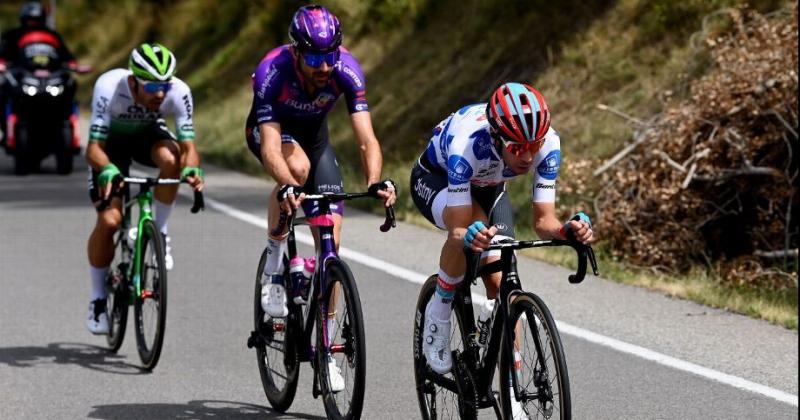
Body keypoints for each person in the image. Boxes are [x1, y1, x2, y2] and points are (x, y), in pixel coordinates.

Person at [245, 4, 395, 391]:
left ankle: (327, 351)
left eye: (329, 56)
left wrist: (375, 180)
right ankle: (275, 261)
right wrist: (289, 186)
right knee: (296, 171)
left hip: (315, 141)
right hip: (274, 137)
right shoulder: (272, 71)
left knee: (331, 245)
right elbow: (271, 149)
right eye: (314, 57)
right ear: (296, 51)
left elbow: (366, 140)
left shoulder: (346, 70)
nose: (324, 66)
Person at [409, 82, 595, 377]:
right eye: (518, 148)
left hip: (489, 185)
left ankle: (511, 384)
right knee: (471, 228)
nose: (527, 157)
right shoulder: (466, 146)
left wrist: (566, 230)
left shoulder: (548, 145)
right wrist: (470, 234)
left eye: (533, 146)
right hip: (438, 179)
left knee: (502, 279)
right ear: (496, 138)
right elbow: (459, 228)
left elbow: (543, 221)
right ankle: (439, 310)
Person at [84, 43, 204, 334]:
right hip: (110, 147)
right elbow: (93, 149)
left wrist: (191, 169)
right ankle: (98, 298)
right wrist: (109, 169)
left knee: (172, 159)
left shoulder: (179, 91)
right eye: (151, 86)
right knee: (110, 221)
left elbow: (189, 147)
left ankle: (159, 232)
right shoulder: (109, 87)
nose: (160, 93)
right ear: (134, 80)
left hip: (147, 136)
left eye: (164, 84)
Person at [0, 1, 78, 144]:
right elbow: (3, 56)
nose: (33, 23)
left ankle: (70, 125)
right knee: (3, 91)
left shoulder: (52, 35)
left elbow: (67, 57)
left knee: (70, 85)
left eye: (36, 20)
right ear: (23, 19)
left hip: (50, 80)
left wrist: (73, 65)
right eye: (30, 20)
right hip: (23, 79)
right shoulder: (13, 35)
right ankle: (5, 129)